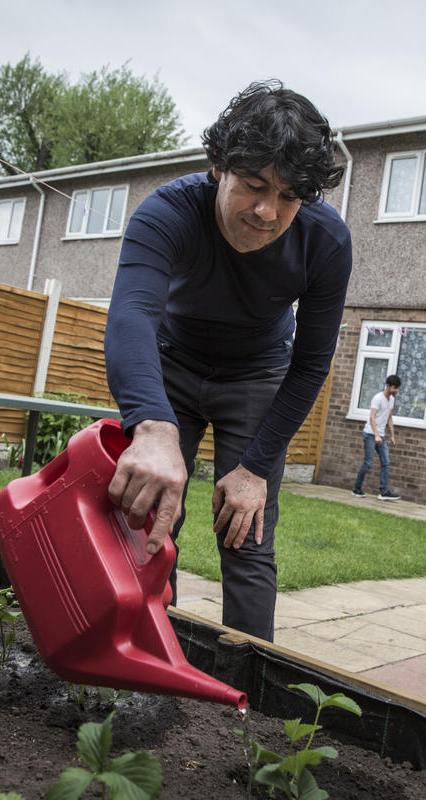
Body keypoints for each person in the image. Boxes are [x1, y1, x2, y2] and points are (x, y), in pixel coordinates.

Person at [103, 80, 351, 642]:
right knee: (150, 520)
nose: (267, 212)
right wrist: (152, 423)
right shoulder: (166, 212)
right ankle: (139, 659)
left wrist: (256, 468)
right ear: (219, 166)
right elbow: (131, 317)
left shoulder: (326, 241)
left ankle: (246, 705)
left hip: (257, 376)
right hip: (170, 364)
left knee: (247, 535)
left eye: (288, 197)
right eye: (254, 186)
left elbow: (312, 363)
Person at [352, 374, 401, 500]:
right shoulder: (378, 398)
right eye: (395, 388)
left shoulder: (392, 400)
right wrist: (376, 435)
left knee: (386, 462)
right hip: (370, 434)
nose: (396, 391)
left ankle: (383, 492)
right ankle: (356, 488)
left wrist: (392, 435)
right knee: (368, 463)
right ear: (388, 386)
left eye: (397, 388)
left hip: (381, 436)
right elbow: (372, 417)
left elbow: (389, 417)